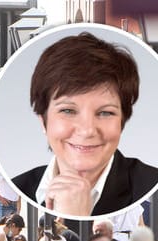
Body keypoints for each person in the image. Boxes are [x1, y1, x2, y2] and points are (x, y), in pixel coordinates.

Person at [12, 32, 158, 217]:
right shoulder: (18, 188)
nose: (87, 130)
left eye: (105, 113)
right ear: (43, 120)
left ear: (122, 121)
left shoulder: (150, 186)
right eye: (68, 111)